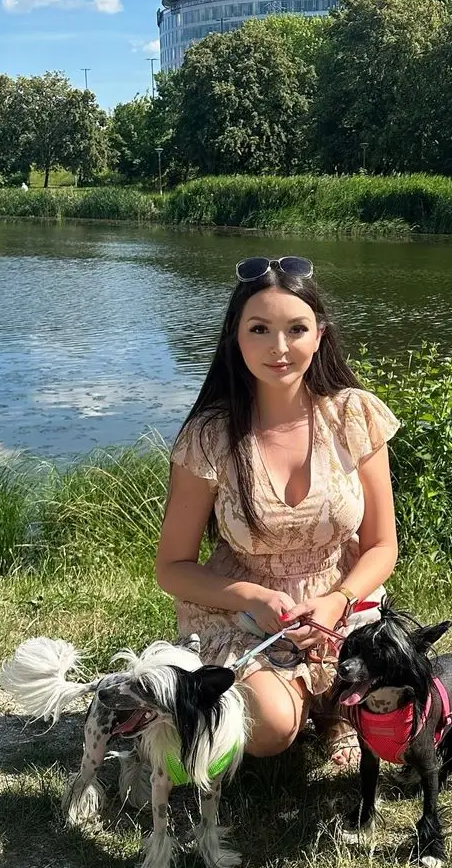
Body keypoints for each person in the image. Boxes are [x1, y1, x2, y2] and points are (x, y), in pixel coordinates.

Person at [154, 255, 399, 768]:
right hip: (242, 614)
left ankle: (331, 706)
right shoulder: (210, 437)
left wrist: (338, 601)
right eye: (260, 329)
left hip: (340, 609)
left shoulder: (354, 416)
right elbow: (172, 567)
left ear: (320, 335)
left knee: (402, 702)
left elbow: (381, 546)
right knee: (270, 729)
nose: (279, 347)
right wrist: (249, 596)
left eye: (296, 329)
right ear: (235, 336)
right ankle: (316, 709)